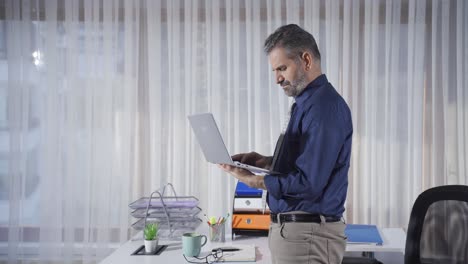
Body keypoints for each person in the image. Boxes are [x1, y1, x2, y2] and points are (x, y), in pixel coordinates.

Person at [218, 24, 353, 264]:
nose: (277, 79)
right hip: (297, 236)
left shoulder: (323, 109)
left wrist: (255, 180)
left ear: (306, 60)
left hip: (307, 238)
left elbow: (310, 183)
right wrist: (265, 162)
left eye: (282, 68)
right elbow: (305, 164)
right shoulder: (306, 104)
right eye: (274, 70)